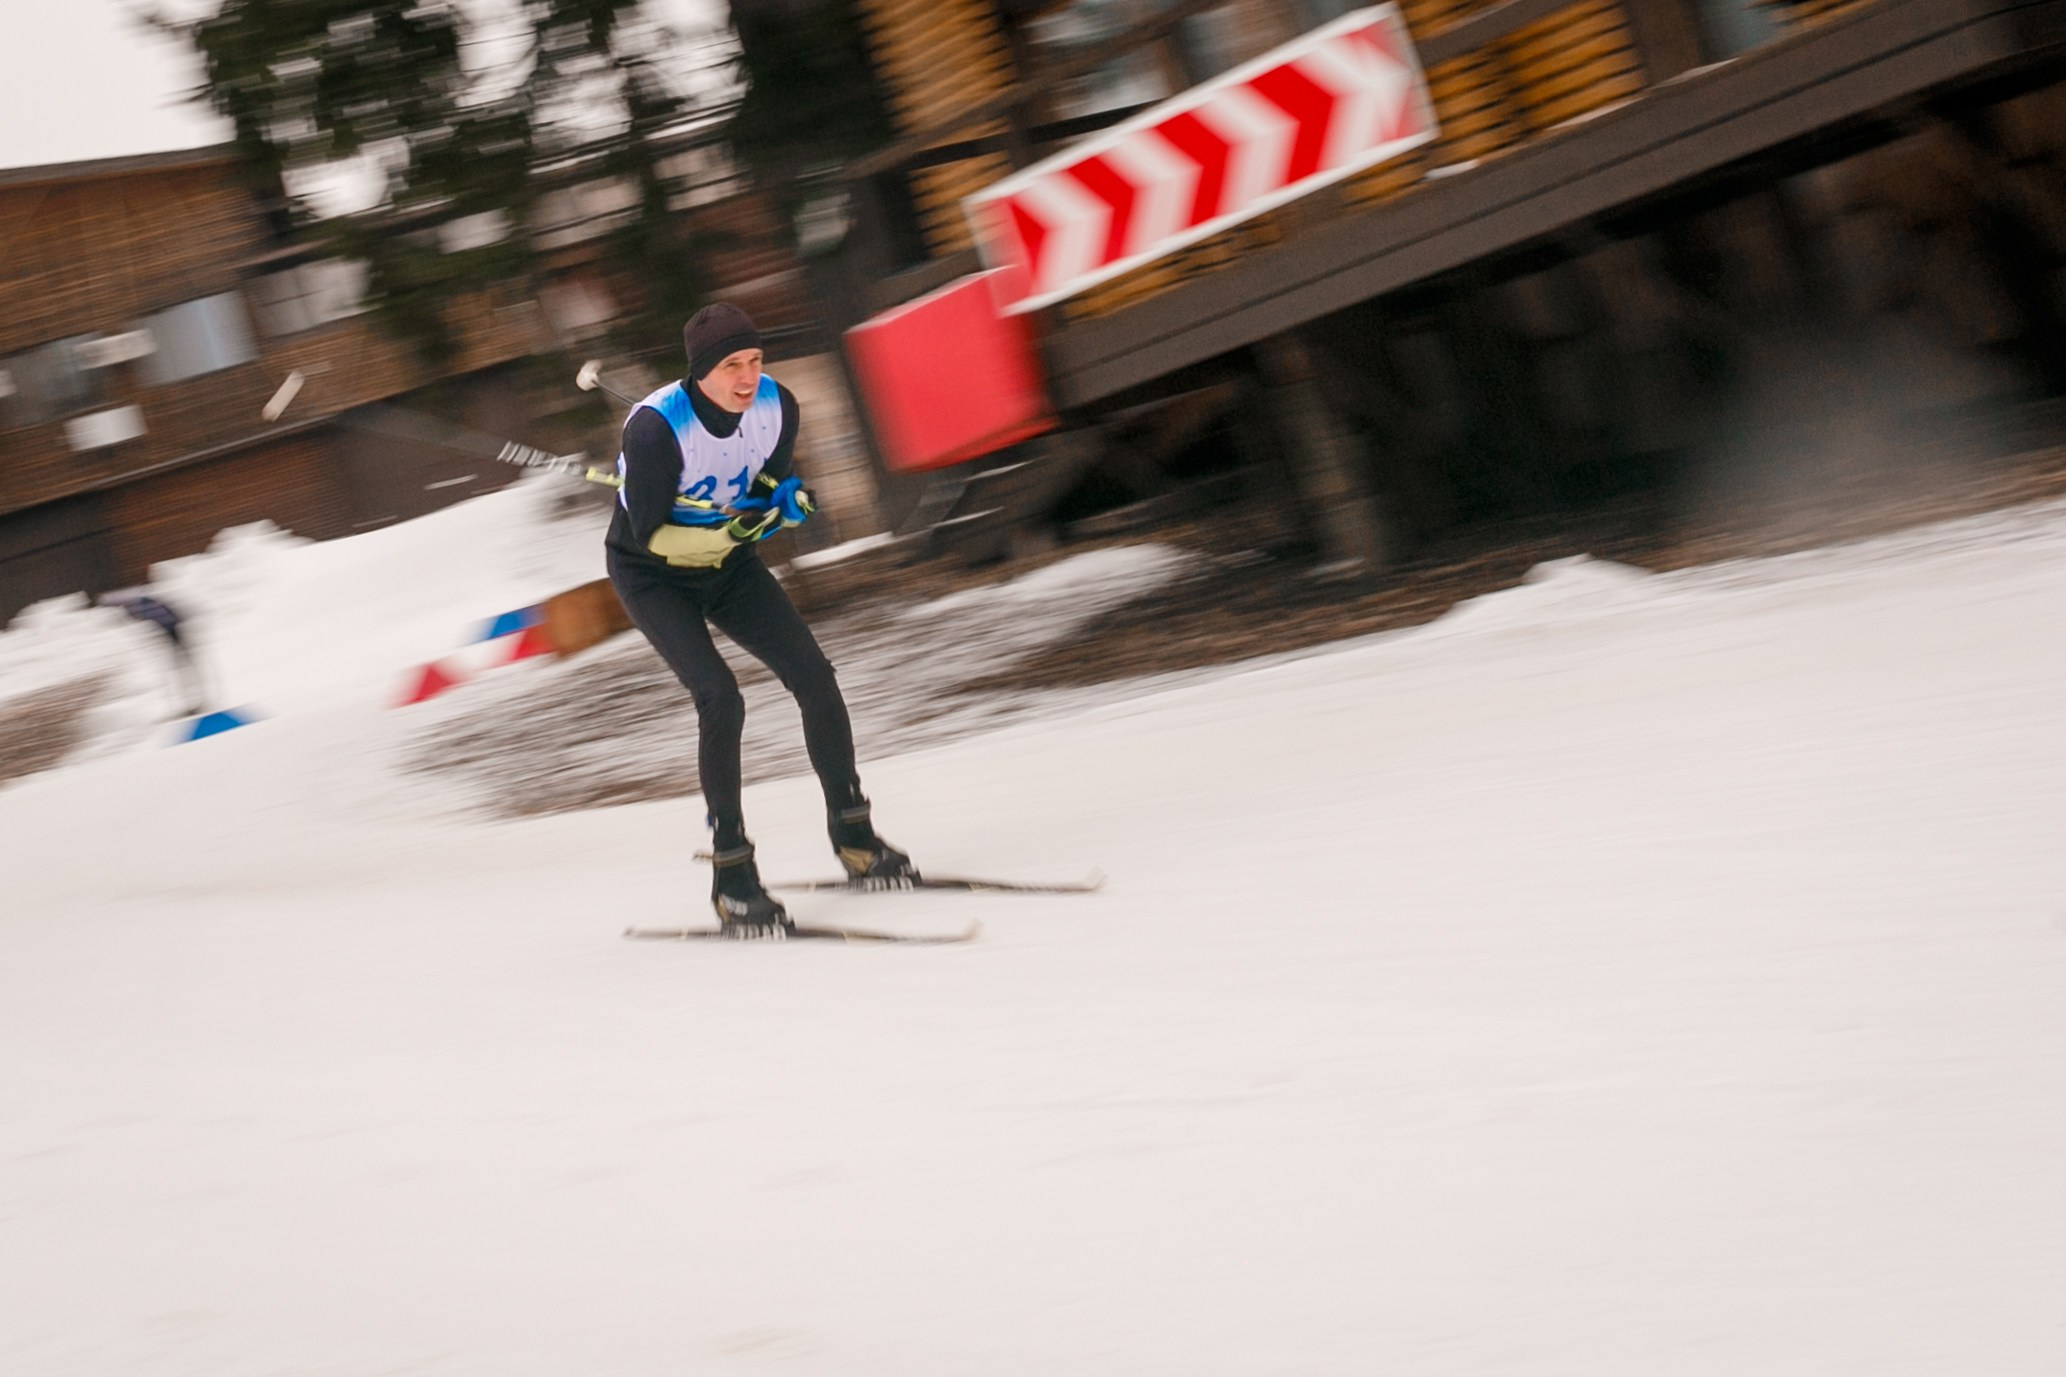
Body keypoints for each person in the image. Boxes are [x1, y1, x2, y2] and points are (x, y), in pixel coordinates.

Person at [606, 302, 916, 938]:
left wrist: (780, 502)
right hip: (654, 575)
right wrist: (745, 524)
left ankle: (855, 837)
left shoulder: (778, 406)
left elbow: (766, 483)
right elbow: (655, 537)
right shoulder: (654, 432)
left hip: (730, 565)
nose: (747, 377)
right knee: (721, 698)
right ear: (699, 374)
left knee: (816, 679)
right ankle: (732, 875)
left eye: (754, 361)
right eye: (730, 366)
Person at [91, 586, 205, 716]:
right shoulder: (138, 603)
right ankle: (191, 700)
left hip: (173, 629)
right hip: (171, 628)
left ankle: (193, 700)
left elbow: (159, 618)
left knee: (183, 666)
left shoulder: (135, 606)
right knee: (182, 665)